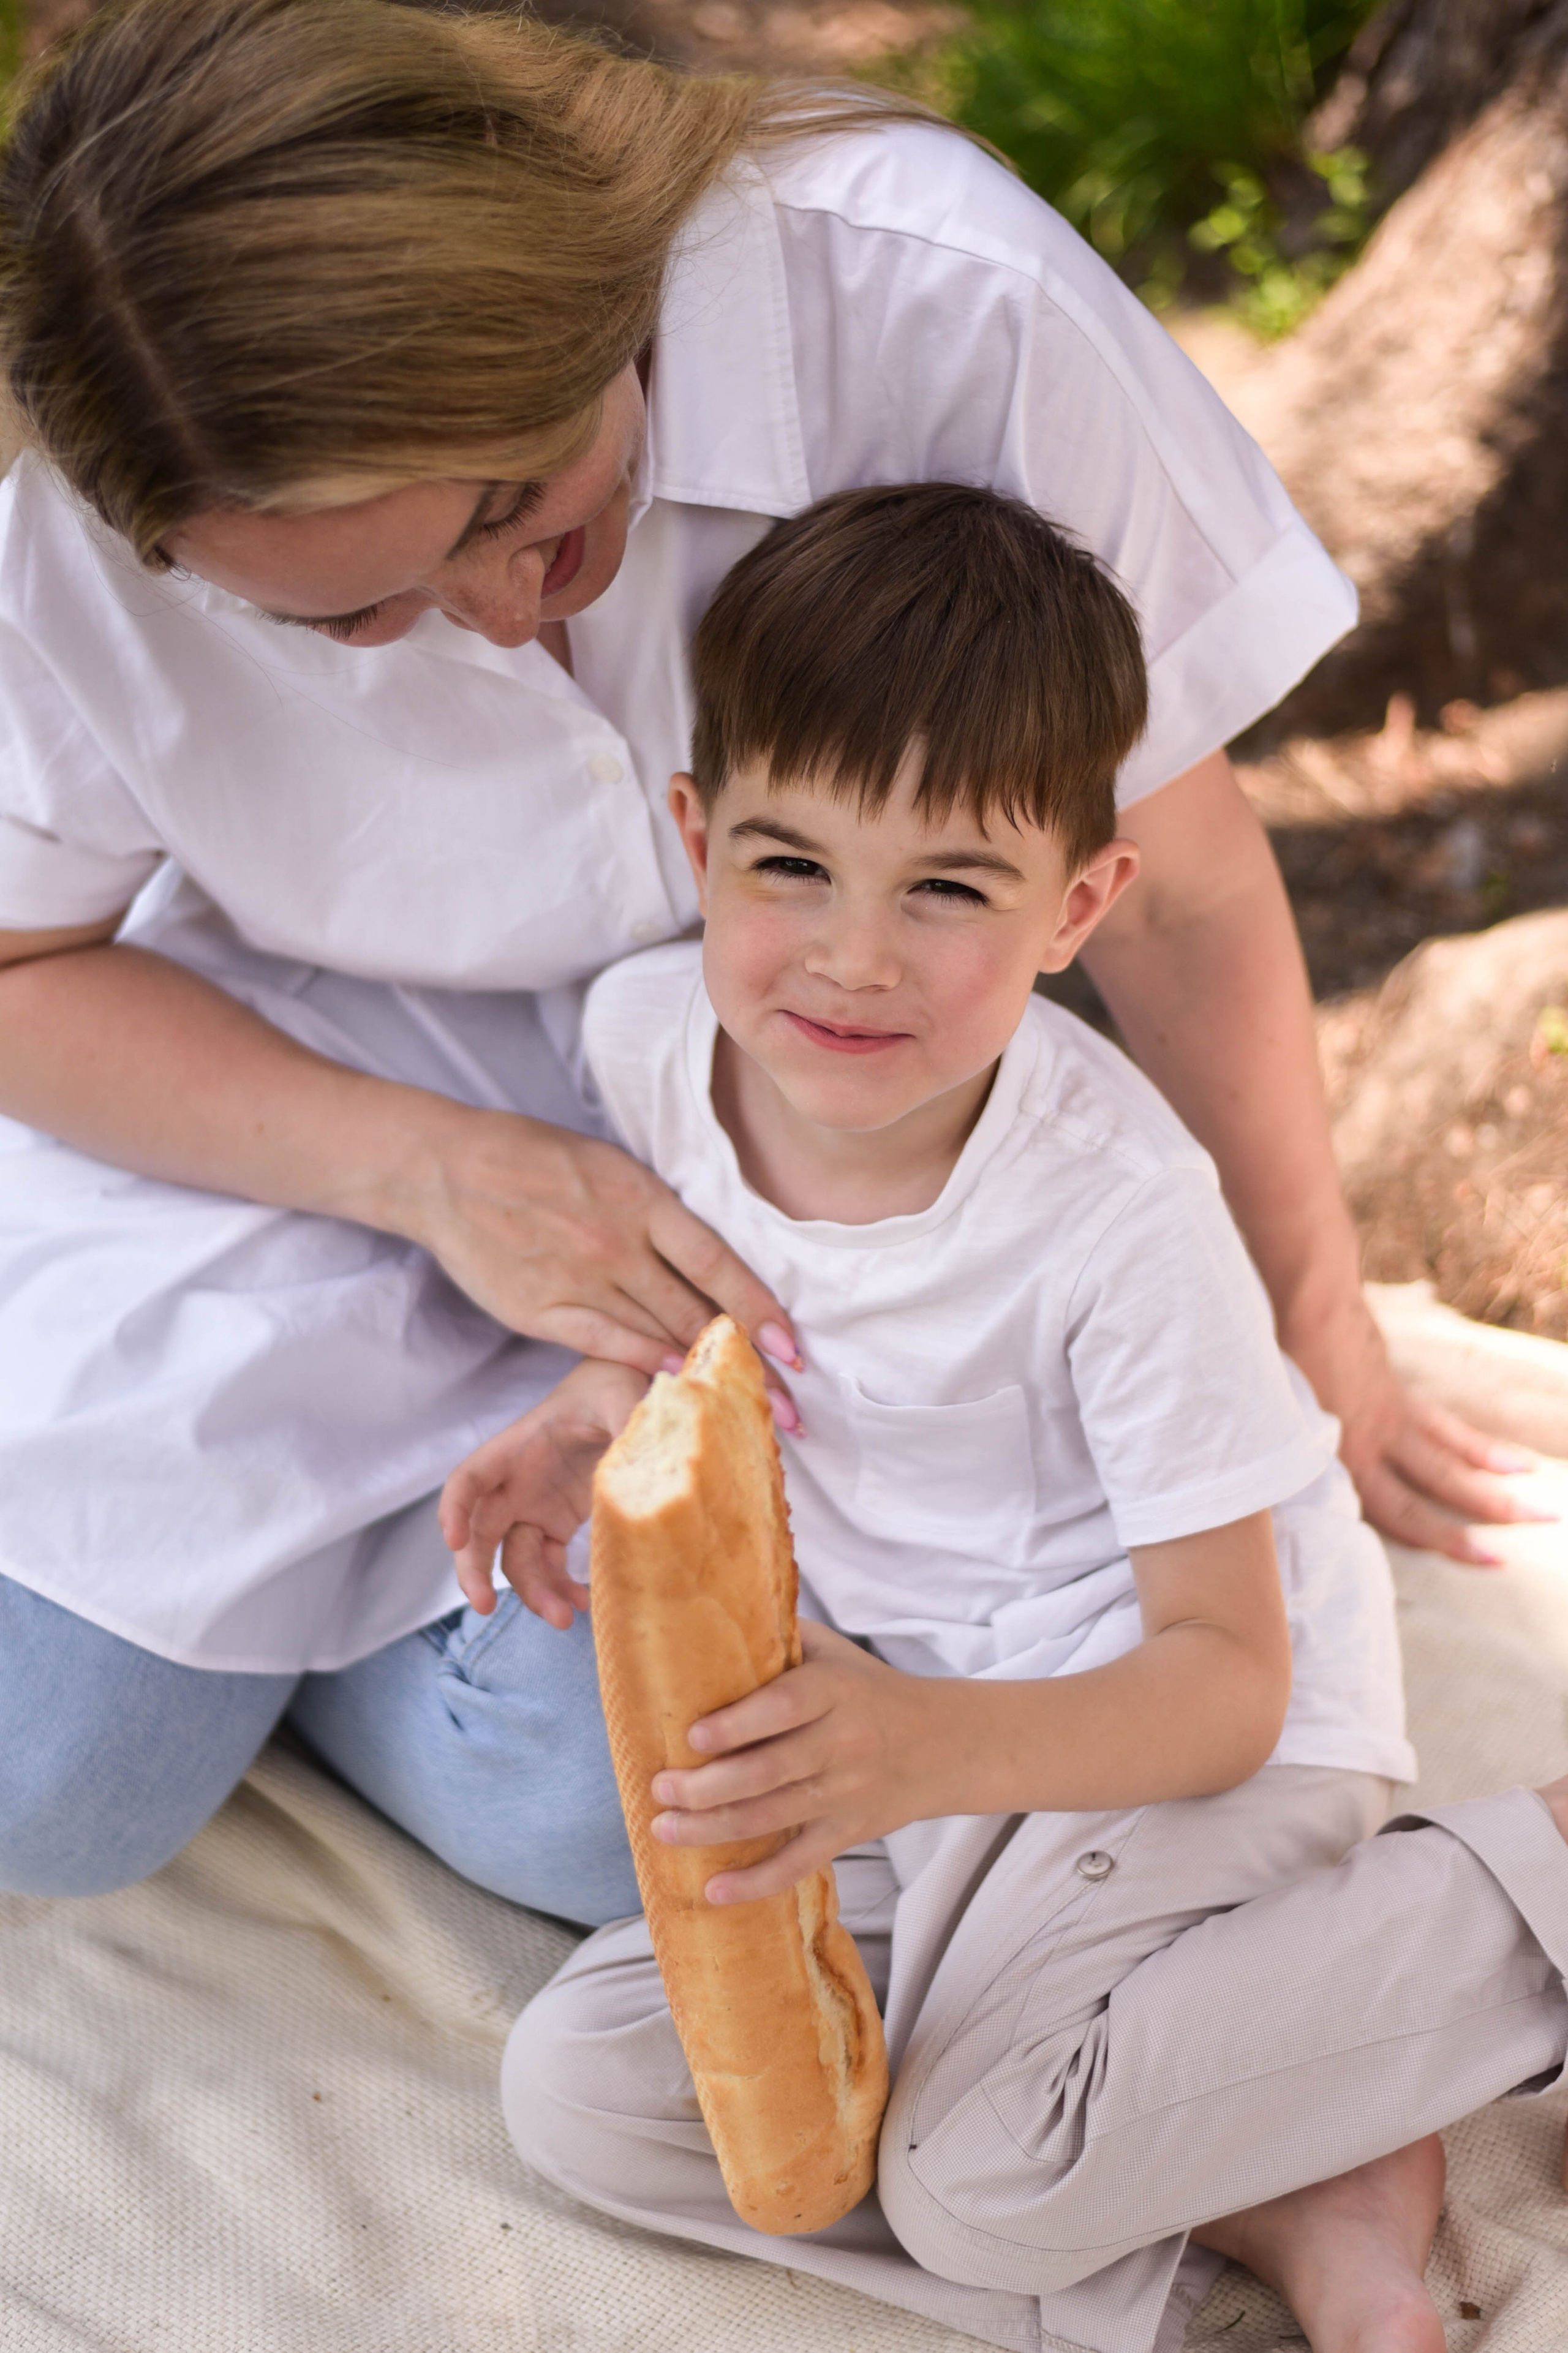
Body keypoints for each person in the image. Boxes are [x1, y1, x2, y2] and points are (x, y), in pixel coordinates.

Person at [0, 0, 1533, 1905]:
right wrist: (436, 1174)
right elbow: (18, 967)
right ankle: (254, 1591)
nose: (489, 616)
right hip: (299, 1119)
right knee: (51, 1775)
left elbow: (1193, 882)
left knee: (625, 1808)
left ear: (581, 297)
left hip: (810, 1165)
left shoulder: (927, 292)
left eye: (510, 508)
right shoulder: (77, 509)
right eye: (363, 614)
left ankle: (333, 1612)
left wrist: (1319, 1337)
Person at [463, 484, 1568, 2353]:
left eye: (949, 889)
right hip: (917, 1732)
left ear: (1078, 909)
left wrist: (915, 1751)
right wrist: (589, 1410)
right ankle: (1288, 2175)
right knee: (592, 2095)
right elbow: (714, 1329)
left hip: (1179, 1728)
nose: (852, 957)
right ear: (694, 837)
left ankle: (1521, 1880)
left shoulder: (1115, 1211)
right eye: (788, 864)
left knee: (980, 2180)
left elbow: (1221, 1676)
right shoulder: (654, 1042)